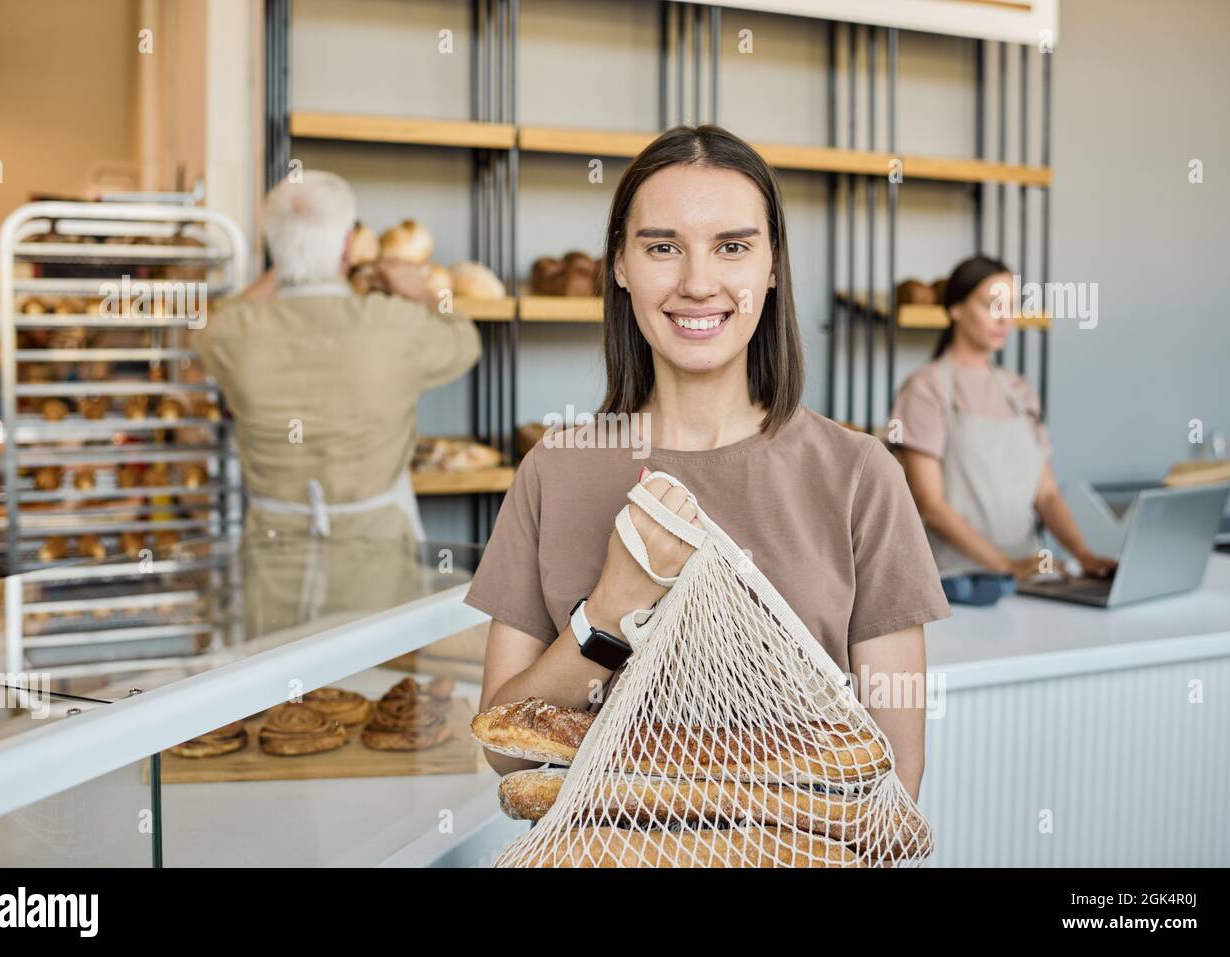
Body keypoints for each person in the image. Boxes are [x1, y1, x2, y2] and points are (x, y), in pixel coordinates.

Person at [463, 125, 951, 802]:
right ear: (621, 266)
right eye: (663, 247)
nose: (698, 282)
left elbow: (895, 778)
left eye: (732, 247)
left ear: (772, 267)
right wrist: (612, 608)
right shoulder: (555, 468)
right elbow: (504, 750)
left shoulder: (860, 475)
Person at [194, 170, 481, 548]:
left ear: (276, 245)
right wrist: (418, 293)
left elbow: (215, 321)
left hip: (274, 551)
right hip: (377, 552)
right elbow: (464, 338)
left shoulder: (231, 333)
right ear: (348, 247)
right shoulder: (393, 323)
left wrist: (290, 260)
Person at [888, 255, 1117, 606]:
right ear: (956, 309)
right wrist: (1005, 565)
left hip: (1031, 582)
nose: (1004, 317)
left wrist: (1084, 555)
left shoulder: (1020, 390)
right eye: (991, 305)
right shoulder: (925, 388)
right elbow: (928, 502)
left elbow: (1047, 495)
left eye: (1010, 305)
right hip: (955, 583)